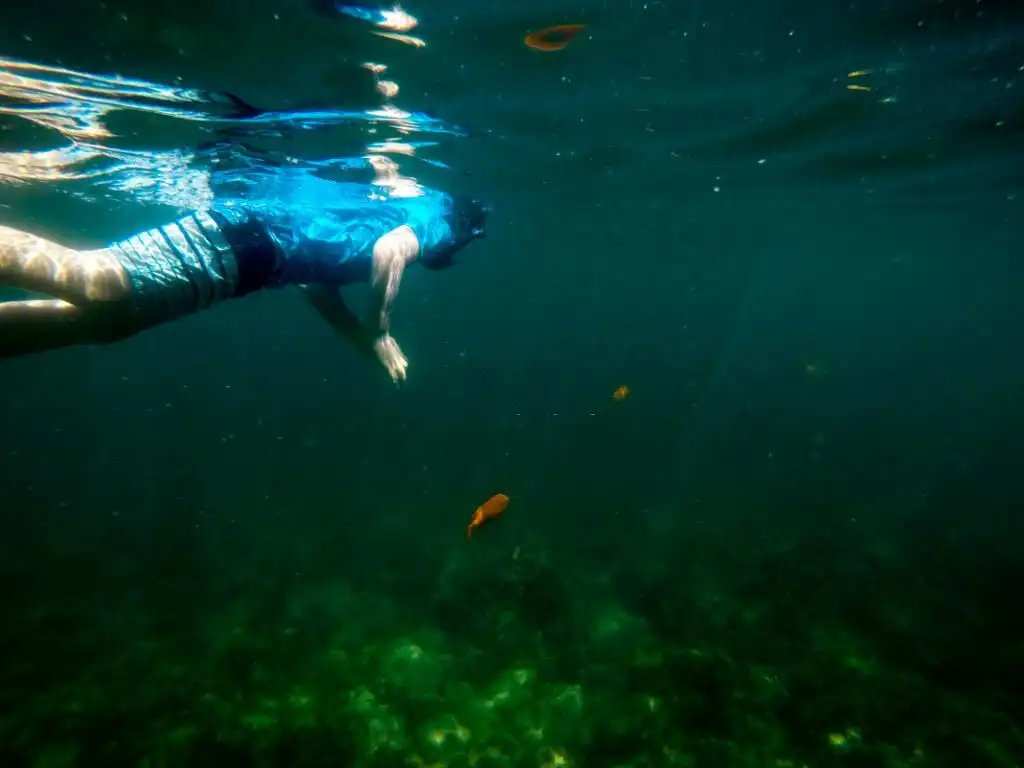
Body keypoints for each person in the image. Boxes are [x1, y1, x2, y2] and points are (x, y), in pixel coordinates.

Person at [0, 159, 490, 382]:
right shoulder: (441, 220)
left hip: (250, 259)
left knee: (111, 322)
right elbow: (389, 251)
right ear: (465, 227)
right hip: (247, 237)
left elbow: (315, 286)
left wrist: (359, 338)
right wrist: (378, 331)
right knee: (101, 281)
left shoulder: (402, 212)